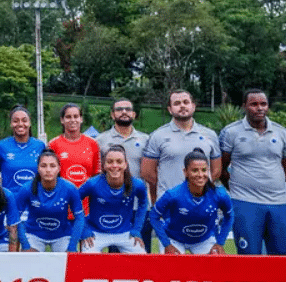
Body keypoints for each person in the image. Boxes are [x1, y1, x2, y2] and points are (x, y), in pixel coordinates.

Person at [140, 90, 222, 250]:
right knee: (172, 269)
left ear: (193, 106)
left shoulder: (209, 135)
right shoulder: (158, 135)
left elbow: (216, 171)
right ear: (170, 109)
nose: (182, 106)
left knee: (208, 269)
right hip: (171, 210)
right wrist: (165, 198)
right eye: (177, 103)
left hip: (202, 209)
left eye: (186, 102)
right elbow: (148, 173)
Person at [218, 89, 286, 255]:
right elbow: (221, 169)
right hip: (245, 202)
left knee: (285, 258)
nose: (259, 108)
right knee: (249, 257)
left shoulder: (282, 132)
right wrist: (235, 187)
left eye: (263, 104)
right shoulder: (230, 132)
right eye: (254, 104)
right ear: (244, 106)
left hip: (279, 203)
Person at [149, 150, 234, 255]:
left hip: (203, 240)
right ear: (185, 172)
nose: (200, 174)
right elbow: (153, 216)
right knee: (173, 268)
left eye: (204, 170)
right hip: (174, 239)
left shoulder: (219, 194)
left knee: (214, 266)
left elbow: (229, 216)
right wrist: (167, 244)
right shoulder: (173, 195)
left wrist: (220, 242)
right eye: (195, 170)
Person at [95, 99, 152, 251]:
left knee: (142, 255)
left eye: (128, 109)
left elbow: (152, 172)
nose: (124, 112)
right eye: (119, 109)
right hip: (113, 206)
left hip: (139, 206)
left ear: (134, 114)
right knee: (116, 259)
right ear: (113, 115)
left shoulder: (146, 140)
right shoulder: (100, 140)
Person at [75, 145, 148, 253]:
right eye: (110, 162)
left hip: (125, 233)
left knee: (142, 257)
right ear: (104, 165)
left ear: (125, 165)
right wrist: (84, 228)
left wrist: (136, 228)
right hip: (96, 233)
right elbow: (74, 201)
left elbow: (143, 203)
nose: (114, 165)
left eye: (119, 162)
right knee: (88, 259)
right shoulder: (92, 183)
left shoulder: (137, 184)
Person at [16, 150, 83, 252]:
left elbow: (80, 218)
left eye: (52, 166)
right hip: (34, 234)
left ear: (59, 169)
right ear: (38, 168)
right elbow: (15, 218)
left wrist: (72, 246)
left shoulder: (70, 188)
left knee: (66, 262)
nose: (48, 170)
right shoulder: (27, 188)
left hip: (62, 235)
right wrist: (25, 245)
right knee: (30, 262)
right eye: (43, 166)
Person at [49, 103, 102, 196]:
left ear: (81, 119)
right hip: (61, 201)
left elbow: (97, 177)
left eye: (76, 116)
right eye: (68, 117)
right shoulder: (53, 144)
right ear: (62, 120)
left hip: (86, 203)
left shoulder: (93, 144)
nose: (72, 120)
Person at [0, 106, 48, 196]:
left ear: (29, 123)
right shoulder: (1, 146)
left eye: (24, 120)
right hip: (10, 201)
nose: (20, 124)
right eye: (15, 121)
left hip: (34, 201)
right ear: (11, 124)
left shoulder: (40, 146)